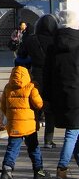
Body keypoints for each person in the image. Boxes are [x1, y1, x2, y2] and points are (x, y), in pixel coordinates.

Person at [44, 9, 79, 179]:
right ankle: (62, 168)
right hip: (77, 94)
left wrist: (48, 97)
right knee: (73, 132)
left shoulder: (53, 46)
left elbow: (47, 74)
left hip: (61, 94)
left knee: (76, 131)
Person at [17, 13, 58, 148]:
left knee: (34, 108)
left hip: (35, 76)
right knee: (50, 109)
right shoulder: (56, 40)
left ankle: (32, 138)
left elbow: (20, 56)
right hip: (52, 77)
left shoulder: (31, 40)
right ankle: (48, 140)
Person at [0, 64, 46, 179]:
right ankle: (38, 171)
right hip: (29, 126)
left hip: (14, 124)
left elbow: (3, 106)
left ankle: (6, 170)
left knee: (12, 148)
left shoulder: (7, 87)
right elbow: (39, 104)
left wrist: (10, 116)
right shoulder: (31, 87)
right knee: (34, 148)